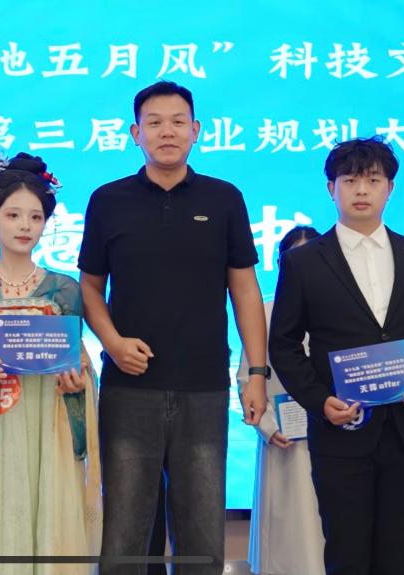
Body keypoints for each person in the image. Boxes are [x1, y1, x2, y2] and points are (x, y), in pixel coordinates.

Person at [78, 80, 268, 575]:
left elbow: (245, 290)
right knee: (124, 537)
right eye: (155, 123)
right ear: (135, 133)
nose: (167, 131)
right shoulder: (108, 200)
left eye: (178, 122)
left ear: (196, 130)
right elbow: (90, 288)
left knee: (201, 538)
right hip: (129, 390)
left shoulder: (224, 198)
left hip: (203, 388)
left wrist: (256, 372)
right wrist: (112, 343)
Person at [269, 136, 404, 575]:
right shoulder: (305, 262)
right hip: (341, 434)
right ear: (331, 188)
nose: (361, 190)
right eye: (350, 180)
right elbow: (284, 344)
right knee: (347, 555)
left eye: (373, 180)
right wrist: (320, 401)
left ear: (390, 189)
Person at [0, 152, 101, 575]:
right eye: (13, 215)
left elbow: (79, 358)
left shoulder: (64, 289)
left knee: (49, 518)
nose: (24, 226)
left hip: (48, 424)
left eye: (35, 217)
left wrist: (78, 381)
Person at [238, 226, 325, 575]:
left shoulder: (339, 310)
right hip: (281, 437)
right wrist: (267, 426)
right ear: (280, 263)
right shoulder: (265, 312)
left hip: (333, 433)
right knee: (284, 534)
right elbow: (247, 377)